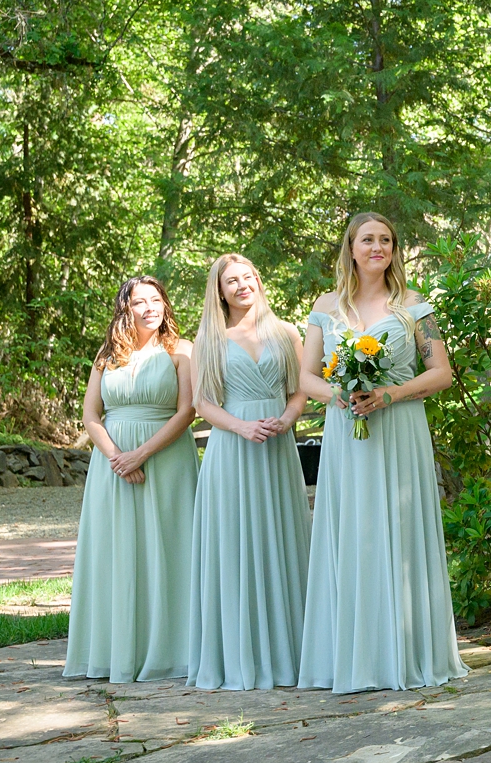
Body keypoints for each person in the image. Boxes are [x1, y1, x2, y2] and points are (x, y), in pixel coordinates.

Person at [297, 211, 467, 693]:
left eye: (386, 241)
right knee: (353, 531)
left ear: (394, 250)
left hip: (400, 427)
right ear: (350, 248)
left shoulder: (413, 305)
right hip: (346, 428)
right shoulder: (325, 306)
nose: (378, 247)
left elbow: (441, 373)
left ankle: (407, 652)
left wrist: (389, 394)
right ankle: (351, 655)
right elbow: (307, 374)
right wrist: (340, 395)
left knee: (398, 528)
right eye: (368, 240)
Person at [186, 253, 314, 691]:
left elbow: (301, 391)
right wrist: (241, 426)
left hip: (278, 450)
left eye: (247, 277)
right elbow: (201, 404)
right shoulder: (210, 338)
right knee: (237, 546)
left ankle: (291, 654)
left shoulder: (286, 333)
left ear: (258, 280)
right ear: (219, 292)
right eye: (230, 282)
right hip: (231, 452)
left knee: (281, 541)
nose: (241, 285)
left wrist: (286, 418)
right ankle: (240, 656)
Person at [66, 276, 200, 682]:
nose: (149, 308)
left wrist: (141, 454)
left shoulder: (181, 351)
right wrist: (117, 458)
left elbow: (187, 411)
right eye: (139, 302)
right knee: (117, 553)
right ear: (125, 309)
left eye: (155, 300)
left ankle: (173, 651)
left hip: (168, 459)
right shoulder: (106, 356)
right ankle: (116, 651)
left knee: (171, 550)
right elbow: (91, 415)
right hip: (113, 467)